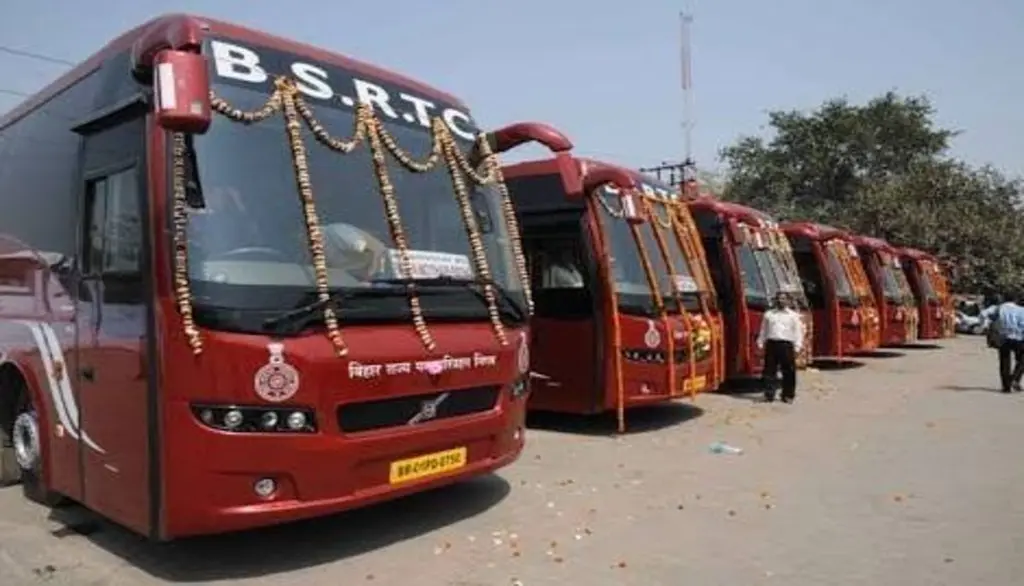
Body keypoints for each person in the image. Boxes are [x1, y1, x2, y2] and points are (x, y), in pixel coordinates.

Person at [757, 292, 805, 403]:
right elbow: (764, 329)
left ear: (788, 301)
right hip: (772, 343)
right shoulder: (769, 314)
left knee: (789, 371)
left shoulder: (793, 316)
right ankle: (769, 394)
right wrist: (760, 342)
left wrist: (797, 346)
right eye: (779, 299)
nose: (781, 301)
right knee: (769, 370)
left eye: (783, 299)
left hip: (786, 344)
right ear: (775, 300)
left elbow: (798, 332)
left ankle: (788, 395)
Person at [981, 293, 1024, 393]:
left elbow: (983, 314)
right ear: (1015, 300)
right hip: (1019, 338)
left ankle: (1006, 387)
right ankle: (1015, 378)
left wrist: (984, 325)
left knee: (1004, 362)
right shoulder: (1021, 310)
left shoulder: (998, 308)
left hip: (1003, 338)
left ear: (1004, 299)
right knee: (1022, 359)